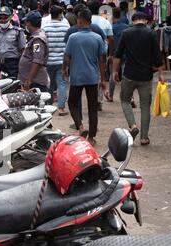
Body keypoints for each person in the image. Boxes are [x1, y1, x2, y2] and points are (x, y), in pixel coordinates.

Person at [113, 12, 164, 146]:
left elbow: (117, 54)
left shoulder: (126, 33)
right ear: (146, 21)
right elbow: (157, 56)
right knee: (145, 106)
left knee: (124, 100)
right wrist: (161, 74)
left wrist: (114, 71)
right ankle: (144, 138)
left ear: (132, 20)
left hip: (129, 74)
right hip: (146, 76)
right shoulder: (151, 33)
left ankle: (133, 125)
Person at [62, 8, 108, 146]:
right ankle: (91, 137)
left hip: (76, 76)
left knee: (72, 103)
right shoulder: (98, 38)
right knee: (92, 107)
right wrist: (103, 79)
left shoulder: (73, 37)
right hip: (92, 77)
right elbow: (101, 60)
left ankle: (80, 126)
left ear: (80, 21)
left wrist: (65, 69)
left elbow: (67, 57)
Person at [43, 5, 70, 115]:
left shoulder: (45, 28)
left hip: (48, 62)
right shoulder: (66, 28)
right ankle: (61, 108)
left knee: (49, 84)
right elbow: (68, 46)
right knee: (62, 84)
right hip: (61, 62)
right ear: (60, 14)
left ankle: (49, 106)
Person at [88, 0, 114, 111]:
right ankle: (98, 100)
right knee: (100, 75)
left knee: (89, 77)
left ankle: (92, 100)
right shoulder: (105, 21)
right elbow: (111, 38)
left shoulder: (85, 21)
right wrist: (111, 54)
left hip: (87, 52)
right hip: (101, 54)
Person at [0, 6, 26, 79]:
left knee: (13, 88)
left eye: (5, 17)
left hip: (12, 66)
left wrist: (22, 70)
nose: (3, 20)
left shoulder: (17, 32)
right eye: (1, 18)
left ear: (10, 17)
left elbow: (23, 52)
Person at [18, 11, 50, 92]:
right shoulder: (36, 36)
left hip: (35, 82)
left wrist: (29, 80)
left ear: (28, 23)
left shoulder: (38, 39)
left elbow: (37, 61)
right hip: (33, 81)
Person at [108, 7, 128, 101]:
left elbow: (110, 43)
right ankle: (128, 97)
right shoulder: (126, 27)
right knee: (125, 75)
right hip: (125, 54)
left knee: (113, 74)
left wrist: (110, 54)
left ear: (112, 16)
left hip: (115, 54)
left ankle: (111, 96)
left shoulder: (111, 28)